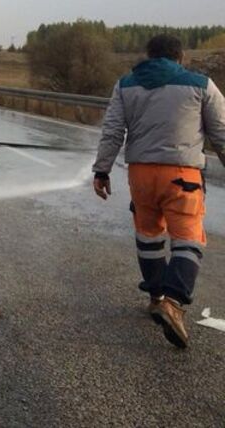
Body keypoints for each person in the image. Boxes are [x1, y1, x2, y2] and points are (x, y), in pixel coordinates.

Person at [93, 34, 225, 349]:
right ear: (180, 57)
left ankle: (156, 297)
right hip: (182, 175)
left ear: (149, 55)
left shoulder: (125, 85)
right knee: (188, 238)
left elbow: (112, 131)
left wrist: (102, 170)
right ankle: (173, 303)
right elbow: (221, 132)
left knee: (149, 236)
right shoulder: (201, 85)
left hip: (140, 175)